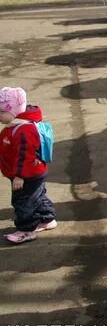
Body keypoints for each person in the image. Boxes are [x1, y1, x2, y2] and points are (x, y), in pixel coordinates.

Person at [0, 87, 56, 244]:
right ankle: (47, 219)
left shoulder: (23, 129)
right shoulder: (19, 124)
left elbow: (24, 155)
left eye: (1, 112)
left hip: (26, 174)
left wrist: (19, 176)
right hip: (34, 171)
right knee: (37, 196)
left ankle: (26, 230)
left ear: (13, 111)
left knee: (24, 202)